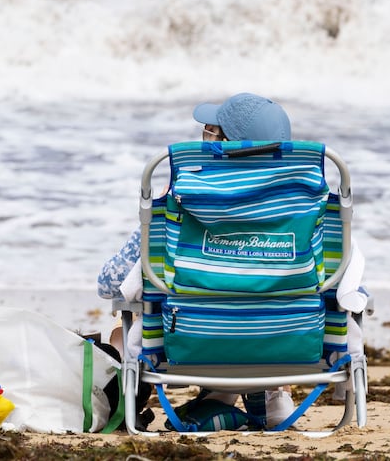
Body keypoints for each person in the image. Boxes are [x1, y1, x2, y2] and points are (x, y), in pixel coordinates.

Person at [97, 92, 295, 430]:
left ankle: (219, 395)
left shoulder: (177, 204)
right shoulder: (305, 209)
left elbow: (109, 283)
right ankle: (268, 392)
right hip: (284, 341)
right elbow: (344, 285)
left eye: (209, 131)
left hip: (189, 343)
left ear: (223, 146)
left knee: (120, 322)